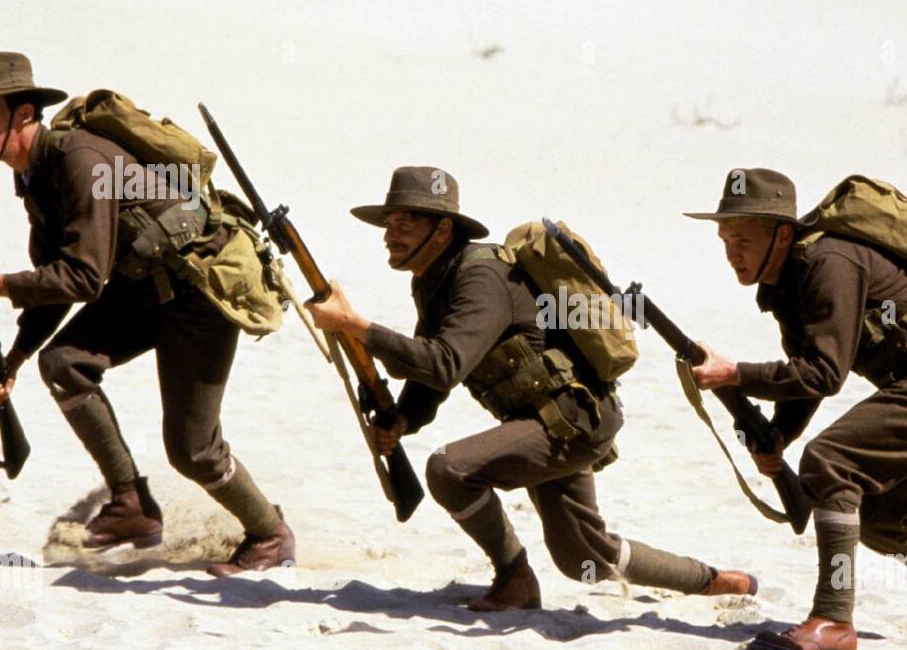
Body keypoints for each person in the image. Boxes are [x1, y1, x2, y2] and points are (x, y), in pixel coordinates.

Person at [306, 166, 757, 610]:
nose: (390, 234)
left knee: (449, 470)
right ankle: (713, 582)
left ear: (442, 230)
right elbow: (435, 363)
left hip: (572, 419)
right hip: (547, 419)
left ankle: (514, 577)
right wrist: (405, 418)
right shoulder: (434, 279)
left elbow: (445, 364)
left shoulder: (479, 278)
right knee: (584, 557)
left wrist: (355, 326)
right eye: (389, 223)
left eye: (406, 223)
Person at [0, 52, 291, 576]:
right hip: (142, 288)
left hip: (198, 293)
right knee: (62, 363)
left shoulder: (78, 160)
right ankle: (132, 506)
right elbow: (55, 281)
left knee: (192, 449)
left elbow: (82, 279)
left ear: (26, 113)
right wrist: (11, 360)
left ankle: (269, 536)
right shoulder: (36, 175)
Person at [688, 168, 907, 650]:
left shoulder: (828, 262)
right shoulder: (786, 280)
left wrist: (735, 373)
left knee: (830, 462)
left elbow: (825, 373)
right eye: (725, 239)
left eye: (742, 239)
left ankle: (833, 618)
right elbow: (810, 373)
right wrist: (780, 434)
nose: (731, 253)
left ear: (783, 235)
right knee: (886, 523)